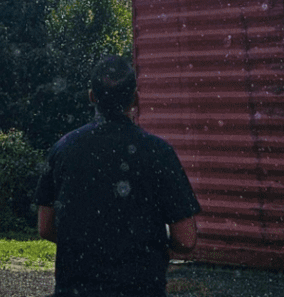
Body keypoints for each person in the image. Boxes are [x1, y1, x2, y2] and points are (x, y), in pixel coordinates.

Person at [35, 54, 200, 297]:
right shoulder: (159, 152)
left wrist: (90, 247)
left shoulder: (63, 150)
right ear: (136, 98)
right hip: (142, 289)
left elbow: (45, 227)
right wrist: (147, 247)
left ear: (92, 96)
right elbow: (186, 239)